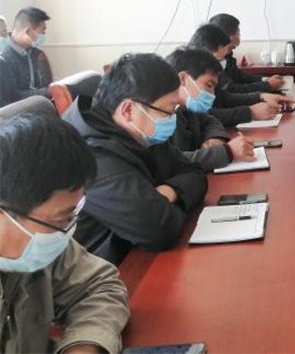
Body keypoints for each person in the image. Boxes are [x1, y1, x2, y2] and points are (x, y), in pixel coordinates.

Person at [0, 113, 129, 353]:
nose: (67, 229)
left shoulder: (42, 240)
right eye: (61, 219)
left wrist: (84, 343)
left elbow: (100, 284)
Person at [63, 53, 208, 265]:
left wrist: (170, 191)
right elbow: (160, 229)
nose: (173, 119)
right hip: (113, 270)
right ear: (129, 109)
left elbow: (196, 173)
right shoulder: (88, 157)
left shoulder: (141, 133)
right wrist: (168, 200)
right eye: (168, 111)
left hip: (138, 254)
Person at [165, 46, 256, 171]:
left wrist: (214, 138)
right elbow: (172, 163)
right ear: (183, 79)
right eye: (208, 85)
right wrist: (228, 152)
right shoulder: (159, 115)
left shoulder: (188, 108)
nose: (212, 95)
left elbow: (211, 121)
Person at [188, 24, 294, 127]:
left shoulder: (203, 71)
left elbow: (223, 97)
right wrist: (250, 112)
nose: (221, 65)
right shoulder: (186, 79)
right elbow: (201, 116)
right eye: (218, 60)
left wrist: (261, 96)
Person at [209, 13, 284, 92]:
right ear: (232, 38)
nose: (239, 37)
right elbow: (230, 89)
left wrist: (265, 79)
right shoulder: (209, 61)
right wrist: (266, 86)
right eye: (238, 34)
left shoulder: (226, 54)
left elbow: (238, 75)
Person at [0, 7, 53, 104]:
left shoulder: (36, 53)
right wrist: (47, 92)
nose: (43, 36)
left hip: (41, 104)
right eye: (42, 32)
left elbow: (46, 83)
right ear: (28, 32)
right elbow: (12, 98)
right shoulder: (4, 60)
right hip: (22, 110)